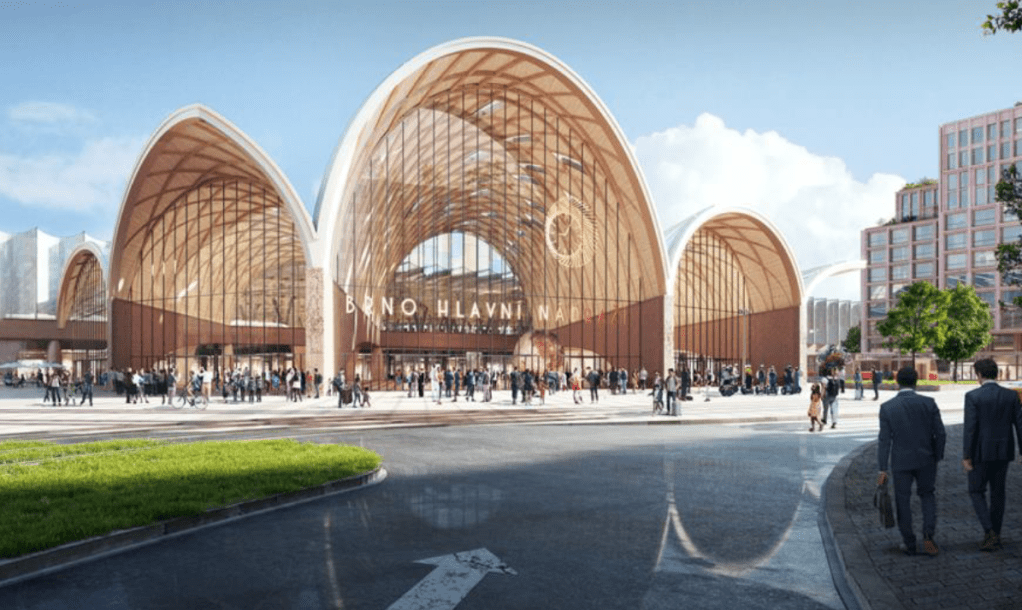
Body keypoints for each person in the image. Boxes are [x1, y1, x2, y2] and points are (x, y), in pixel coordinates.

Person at [877, 366, 946, 556]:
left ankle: (909, 542)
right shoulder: (929, 403)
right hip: (926, 459)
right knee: (927, 496)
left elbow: (884, 440)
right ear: (917, 381)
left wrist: (882, 468)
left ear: (897, 381)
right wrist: (937, 455)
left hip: (900, 461)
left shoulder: (887, 407)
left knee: (903, 500)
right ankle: (928, 535)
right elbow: (940, 433)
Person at [962, 358, 1022, 552]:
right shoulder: (1010, 396)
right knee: (998, 493)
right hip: (1004, 452)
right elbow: (1020, 425)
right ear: (996, 374)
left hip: (980, 452)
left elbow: (970, 429)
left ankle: (990, 532)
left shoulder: (973, 396)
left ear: (979, 374)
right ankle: (995, 533)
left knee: (976, 490)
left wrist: (966, 455)